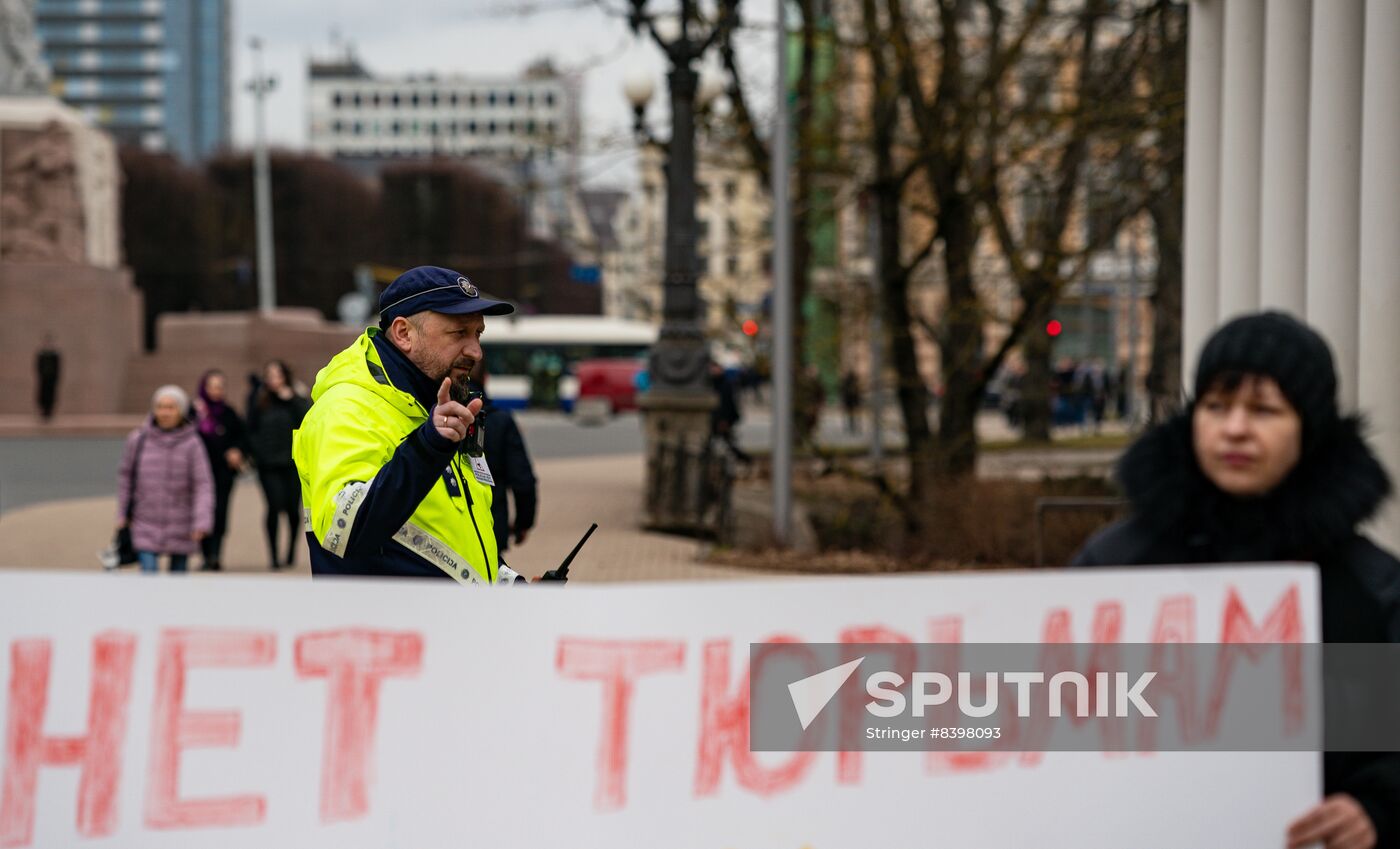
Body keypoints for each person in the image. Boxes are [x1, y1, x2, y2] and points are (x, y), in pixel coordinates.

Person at [1073, 312, 1400, 849]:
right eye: (1216, 406)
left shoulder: (1368, 589)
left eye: (1264, 410)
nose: (1235, 428)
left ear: (1310, 430)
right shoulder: (1117, 567)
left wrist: (1376, 807)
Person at [292, 265, 532, 584]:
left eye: (478, 334)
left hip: (452, 628)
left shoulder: (432, 403)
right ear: (404, 333)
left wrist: (511, 586)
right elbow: (345, 531)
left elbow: (454, 539)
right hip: (392, 633)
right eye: (459, 333)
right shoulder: (347, 406)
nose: (476, 352)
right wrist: (429, 447)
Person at [115, 385, 214, 574]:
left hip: (181, 522)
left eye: (171, 407)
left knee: (176, 584)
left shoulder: (193, 444)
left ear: (181, 411)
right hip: (145, 520)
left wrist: (202, 520)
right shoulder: (138, 440)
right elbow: (126, 477)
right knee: (148, 576)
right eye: (160, 407)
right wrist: (122, 513)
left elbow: (203, 484)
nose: (165, 412)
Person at [246, 360, 312, 571]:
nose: (273, 379)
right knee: (273, 506)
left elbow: (308, 421)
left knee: (292, 509)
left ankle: (290, 551)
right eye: (270, 375)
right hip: (268, 464)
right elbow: (250, 428)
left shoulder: (295, 398)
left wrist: (292, 398)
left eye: (277, 374)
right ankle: (273, 556)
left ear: (285, 376)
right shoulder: (259, 399)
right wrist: (257, 454)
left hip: (291, 463)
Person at [471, 367, 538, 557]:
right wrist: (523, 523)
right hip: (491, 523)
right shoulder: (500, 420)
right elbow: (522, 479)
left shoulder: (431, 416)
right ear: (486, 378)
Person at [192, 370, 248, 571]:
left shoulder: (229, 412)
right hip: (199, 474)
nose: (217, 390)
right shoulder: (195, 413)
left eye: (220, 386)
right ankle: (205, 554)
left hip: (223, 473)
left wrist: (237, 450)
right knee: (202, 512)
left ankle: (215, 555)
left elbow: (242, 436)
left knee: (220, 513)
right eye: (212, 386)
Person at [35, 335, 60, 421]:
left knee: (51, 394)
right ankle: (44, 411)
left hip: (51, 378)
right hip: (44, 378)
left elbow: (57, 367)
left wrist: (56, 377)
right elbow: (38, 366)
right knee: (43, 394)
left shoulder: (55, 355)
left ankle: (49, 411)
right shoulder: (41, 354)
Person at [840, 369, 862, 434]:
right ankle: (852, 426)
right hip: (851, 400)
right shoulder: (850, 382)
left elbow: (843, 391)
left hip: (852, 400)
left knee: (852, 414)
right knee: (851, 414)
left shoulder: (849, 381)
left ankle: (853, 425)